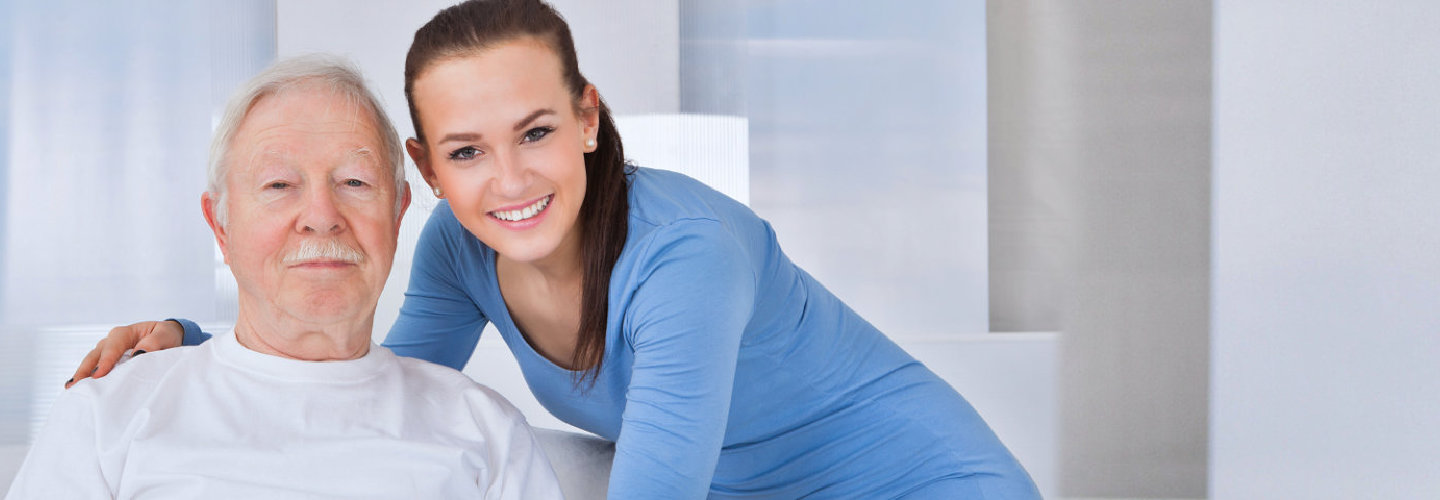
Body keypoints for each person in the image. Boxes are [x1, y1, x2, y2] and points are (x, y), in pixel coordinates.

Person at [72, 0, 1042, 497]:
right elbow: (384, 383)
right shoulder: (459, 244)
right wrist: (210, 340)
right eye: (466, 151)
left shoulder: (685, 254)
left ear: (587, 116)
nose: (509, 180)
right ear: (428, 167)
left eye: (534, 131)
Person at [8, 54, 563, 499]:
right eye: (278, 185)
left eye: (353, 181)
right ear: (220, 227)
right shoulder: (108, 414)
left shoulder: (485, 432)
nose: (322, 215)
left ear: (397, 217)